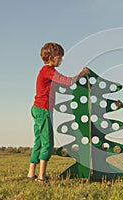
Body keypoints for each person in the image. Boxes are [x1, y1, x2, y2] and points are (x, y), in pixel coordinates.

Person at [27, 42, 89, 182]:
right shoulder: (49, 71)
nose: (61, 60)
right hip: (43, 109)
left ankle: (31, 173)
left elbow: (62, 85)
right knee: (47, 142)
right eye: (60, 57)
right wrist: (82, 73)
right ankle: (42, 177)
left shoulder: (44, 71)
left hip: (37, 108)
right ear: (52, 57)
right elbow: (68, 81)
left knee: (38, 141)